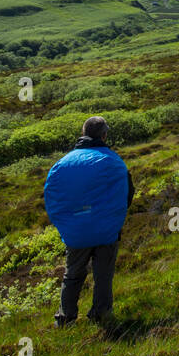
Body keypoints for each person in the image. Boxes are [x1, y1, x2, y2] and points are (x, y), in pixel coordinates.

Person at [44, 116, 135, 326]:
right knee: (103, 275)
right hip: (106, 230)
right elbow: (127, 193)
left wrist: (65, 224)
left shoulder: (62, 164)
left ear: (83, 133)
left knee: (73, 274)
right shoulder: (113, 160)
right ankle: (101, 315)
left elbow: (52, 198)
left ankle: (65, 318)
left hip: (76, 232)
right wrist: (114, 219)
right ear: (103, 135)